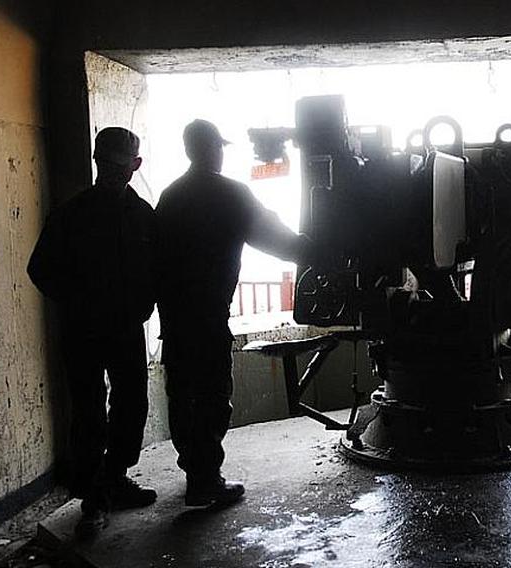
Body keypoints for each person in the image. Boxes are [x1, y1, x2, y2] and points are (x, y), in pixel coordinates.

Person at [156, 119, 313, 506]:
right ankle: (205, 480)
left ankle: (194, 470)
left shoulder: (170, 195)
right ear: (214, 149)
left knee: (183, 393)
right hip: (209, 314)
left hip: (174, 317)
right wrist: (318, 248)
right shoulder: (230, 194)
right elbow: (276, 239)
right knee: (212, 394)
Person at [28, 127, 157, 532]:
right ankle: (95, 492)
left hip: (116, 327)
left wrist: (138, 304)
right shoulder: (77, 215)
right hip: (89, 329)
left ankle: (110, 480)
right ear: (98, 162)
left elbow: (157, 271)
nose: (113, 172)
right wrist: (83, 303)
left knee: (130, 404)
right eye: (107, 164)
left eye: (119, 165)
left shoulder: (138, 216)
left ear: (134, 166)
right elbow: (41, 270)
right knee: (90, 411)